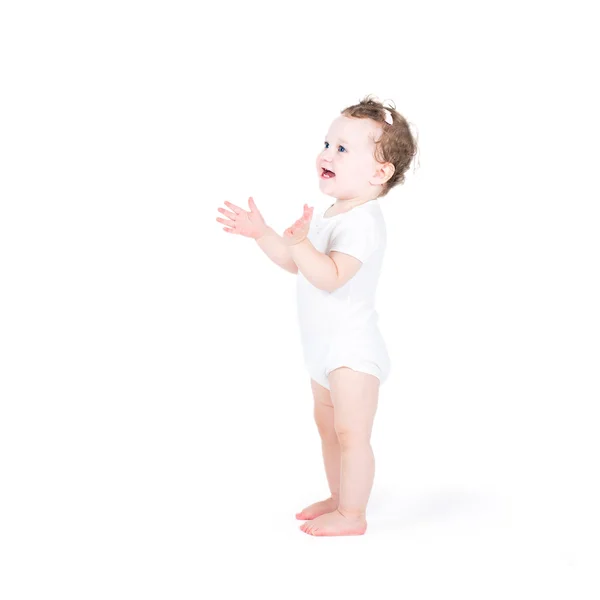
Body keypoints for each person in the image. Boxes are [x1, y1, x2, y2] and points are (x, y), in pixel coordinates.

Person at [216, 95, 418, 536]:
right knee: (328, 431)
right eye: (327, 143)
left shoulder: (363, 222)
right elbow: (295, 264)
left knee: (351, 434)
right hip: (322, 351)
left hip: (351, 353)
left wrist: (302, 243)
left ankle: (353, 515)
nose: (326, 153)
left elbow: (329, 276)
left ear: (379, 172)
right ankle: (339, 496)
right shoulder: (332, 213)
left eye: (343, 149)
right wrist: (265, 234)